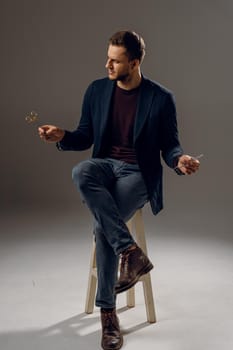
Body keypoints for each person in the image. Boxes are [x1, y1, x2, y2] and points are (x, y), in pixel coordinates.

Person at [38, 30, 200, 350]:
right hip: (105, 165)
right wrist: (63, 136)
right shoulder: (97, 90)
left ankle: (108, 314)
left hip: (139, 174)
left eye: (116, 60)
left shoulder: (160, 98)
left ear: (135, 63)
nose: (108, 65)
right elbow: (85, 136)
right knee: (81, 170)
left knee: (103, 228)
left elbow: (170, 145)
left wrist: (179, 160)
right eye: (108, 58)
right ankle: (130, 252)